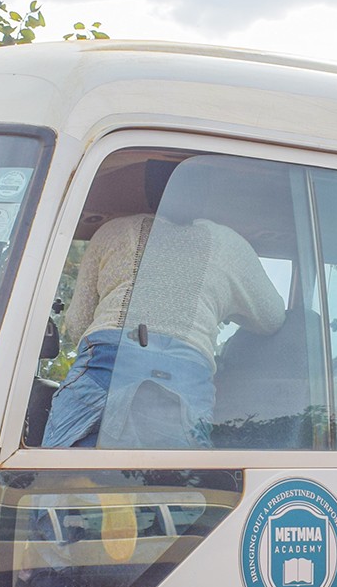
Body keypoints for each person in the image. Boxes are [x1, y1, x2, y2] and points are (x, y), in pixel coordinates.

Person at [43, 165, 286, 448]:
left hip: (104, 364)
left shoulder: (113, 232)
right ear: (206, 195)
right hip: (185, 377)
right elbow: (272, 318)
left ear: (148, 191)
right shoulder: (229, 245)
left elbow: (78, 323)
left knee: (59, 475)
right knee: (176, 484)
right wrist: (227, 309)